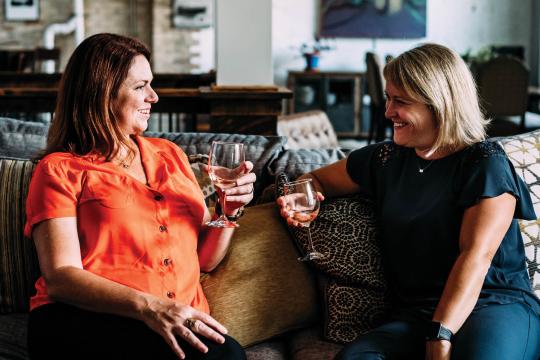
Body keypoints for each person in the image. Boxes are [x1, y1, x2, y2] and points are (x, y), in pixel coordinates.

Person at [278, 43, 540, 360]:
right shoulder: (385, 159)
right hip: (418, 312)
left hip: (493, 303)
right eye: (388, 98)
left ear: (439, 105)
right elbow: (313, 180)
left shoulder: (484, 163)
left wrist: (439, 336)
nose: (388, 111)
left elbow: (476, 257)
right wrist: (305, 199)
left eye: (399, 101)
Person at [24, 33, 254, 360]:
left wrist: (229, 211)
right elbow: (61, 277)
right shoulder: (58, 170)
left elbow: (204, 260)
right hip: (83, 317)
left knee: (226, 355)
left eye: (151, 84)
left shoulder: (171, 156)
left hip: (171, 317)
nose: (154, 97)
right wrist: (152, 307)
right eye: (140, 86)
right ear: (101, 94)